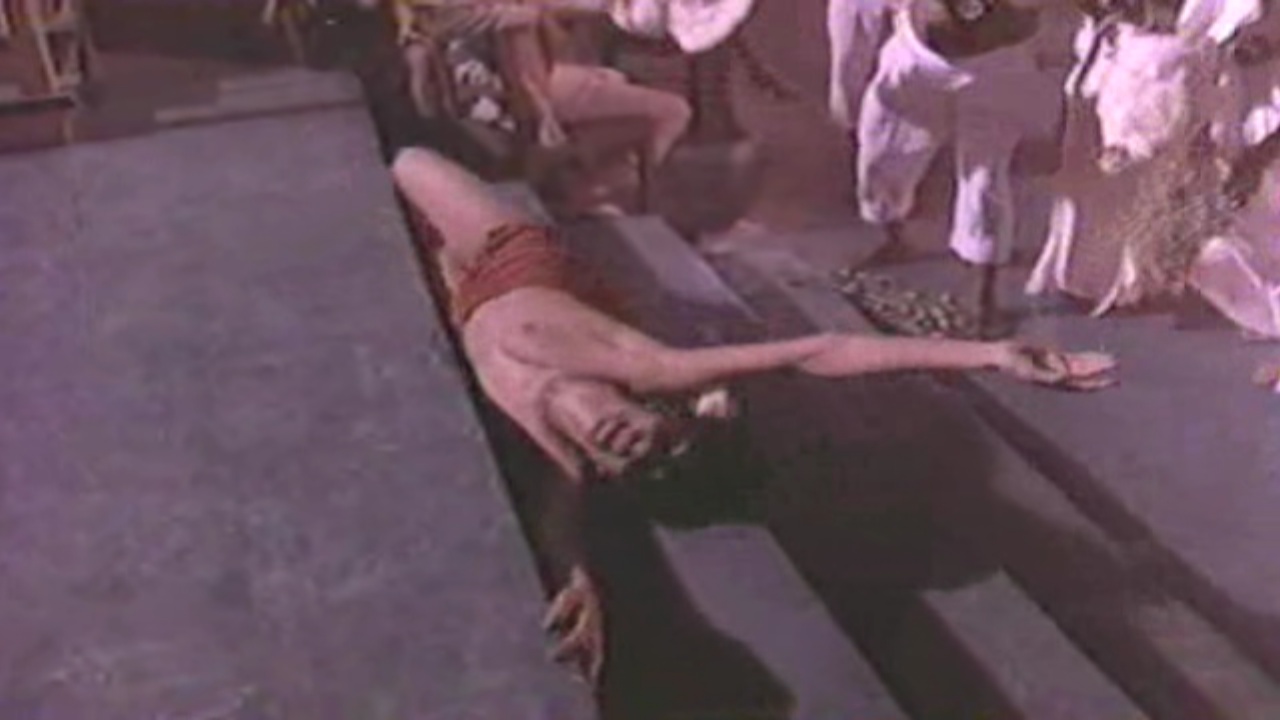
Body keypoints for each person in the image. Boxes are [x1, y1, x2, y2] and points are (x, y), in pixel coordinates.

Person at [389, 145, 1118, 685]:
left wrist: (579, 578)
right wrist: (989, 355)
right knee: (408, 161)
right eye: (663, 442)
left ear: (607, 470)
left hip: (467, 302)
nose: (640, 448)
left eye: (638, 465)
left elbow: (561, 523)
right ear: (657, 411)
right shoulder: (647, 365)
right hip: (514, 258)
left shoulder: (560, 451)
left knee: (415, 230)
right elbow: (820, 350)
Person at [853, 0, 1057, 334]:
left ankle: (984, 292)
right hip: (918, 59)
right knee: (884, 151)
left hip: (998, 66)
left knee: (985, 175)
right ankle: (893, 233)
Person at [394, 0, 692, 214]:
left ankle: (587, 176)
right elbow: (526, 76)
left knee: (612, 77)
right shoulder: (503, 18)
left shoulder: (434, 19)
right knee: (673, 111)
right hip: (512, 91)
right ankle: (597, 182)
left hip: (504, 80)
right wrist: (543, 116)